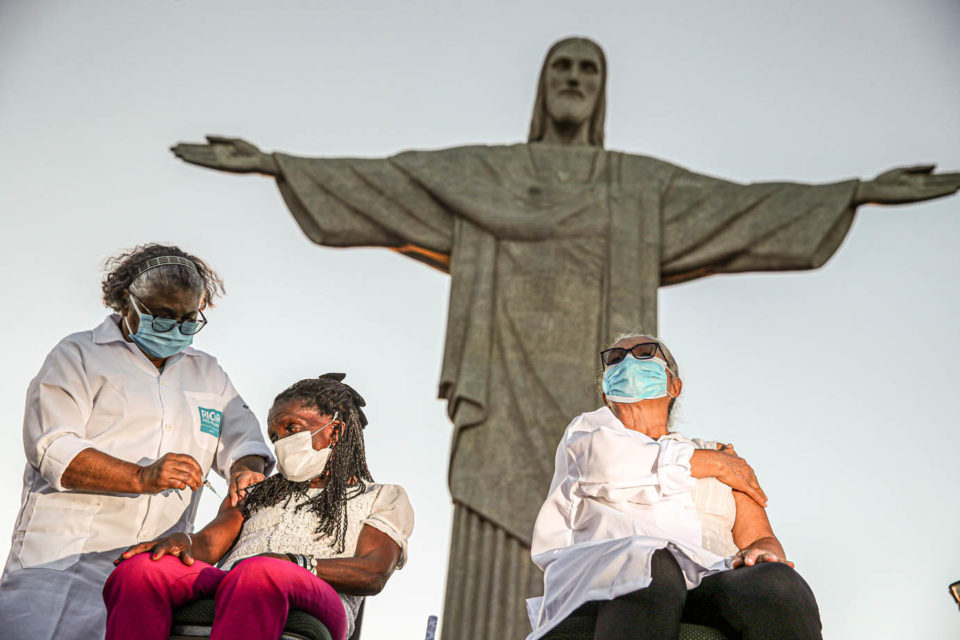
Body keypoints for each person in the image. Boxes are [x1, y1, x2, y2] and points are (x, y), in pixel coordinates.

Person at [169, 36, 960, 639]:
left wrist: (856, 193)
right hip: (505, 384)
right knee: (565, 550)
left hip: (593, 389)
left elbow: (739, 208)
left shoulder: (635, 187)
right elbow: (393, 183)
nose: (575, 80)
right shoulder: (489, 175)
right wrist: (279, 165)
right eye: (562, 68)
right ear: (544, 89)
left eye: (588, 69)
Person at [0, 244, 275, 640]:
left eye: (187, 319)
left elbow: (246, 442)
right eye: (162, 316)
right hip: (63, 566)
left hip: (150, 569)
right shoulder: (79, 355)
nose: (175, 327)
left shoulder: (207, 374)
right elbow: (52, 449)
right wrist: (141, 476)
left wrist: (246, 471)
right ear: (125, 300)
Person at [526, 334, 821, 640]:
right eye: (616, 358)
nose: (628, 361)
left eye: (644, 353)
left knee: (776, 582)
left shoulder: (716, 453)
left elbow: (760, 537)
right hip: (607, 581)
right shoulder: (587, 434)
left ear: (674, 386)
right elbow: (608, 465)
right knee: (650, 561)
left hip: (709, 575)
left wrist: (764, 552)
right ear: (606, 395)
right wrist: (717, 463)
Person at [103, 374, 414, 640]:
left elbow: (373, 572)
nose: (281, 442)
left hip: (319, 596)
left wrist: (292, 563)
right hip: (234, 579)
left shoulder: (381, 496)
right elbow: (210, 543)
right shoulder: (257, 491)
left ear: (335, 430)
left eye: (293, 428)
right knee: (142, 571)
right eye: (274, 435)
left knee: (260, 572)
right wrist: (182, 541)